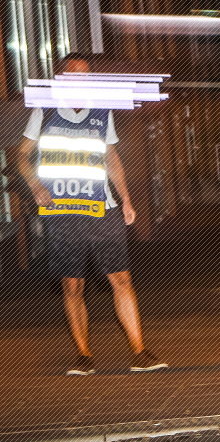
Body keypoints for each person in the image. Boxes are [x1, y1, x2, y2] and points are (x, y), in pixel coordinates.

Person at [17, 54, 165, 375]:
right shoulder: (45, 112)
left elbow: (111, 158)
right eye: (74, 74)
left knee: (121, 278)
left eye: (85, 75)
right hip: (63, 213)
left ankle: (140, 351)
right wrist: (36, 186)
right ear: (61, 78)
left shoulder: (101, 111)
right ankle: (83, 355)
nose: (80, 79)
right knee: (73, 285)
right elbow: (22, 155)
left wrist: (126, 199)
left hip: (102, 209)